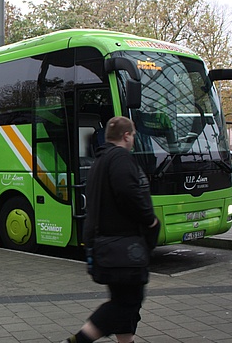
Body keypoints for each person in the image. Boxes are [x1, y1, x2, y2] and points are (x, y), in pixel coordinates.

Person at [62, 116, 160, 343]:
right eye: (133, 135)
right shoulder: (120, 158)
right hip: (123, 247)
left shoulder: (100, 161)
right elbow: (128, 194)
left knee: (125, 300)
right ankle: (79, 340)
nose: (133, 140)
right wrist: (150, 220)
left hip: (108, 246)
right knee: (126, 303)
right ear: (126, 136)